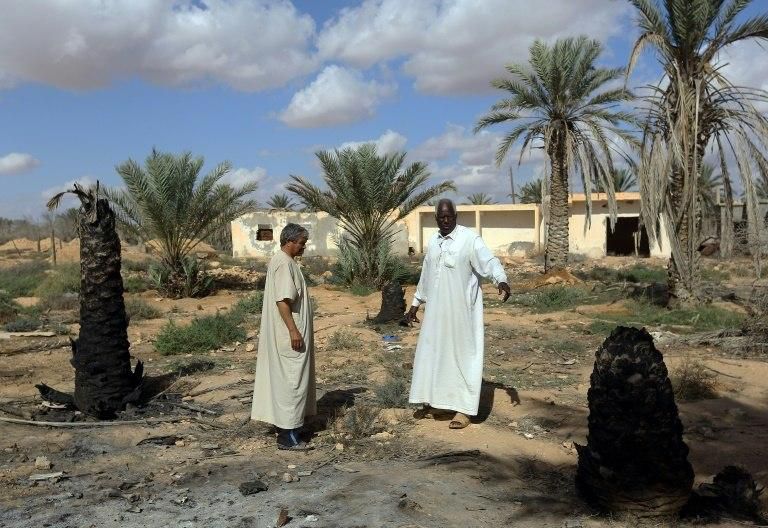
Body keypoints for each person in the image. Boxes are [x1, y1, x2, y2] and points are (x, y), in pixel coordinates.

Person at [406, 199, 511, 429]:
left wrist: (501, 279)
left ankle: (464, 410)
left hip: (462, 315)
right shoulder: (434, 241)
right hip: (436, 314)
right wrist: (415, 304)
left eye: (449, 217)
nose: (445, 221)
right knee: (435, 355)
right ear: (436, 219)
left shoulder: (469, 239)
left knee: (464, 357)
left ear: (455, 216)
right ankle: (436, 402)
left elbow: (489, 261)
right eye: (441, 217)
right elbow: (426, 275)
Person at [251, 223, 316, 450]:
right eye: (301, 243)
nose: (303, 248)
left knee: (293, 380)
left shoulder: (286, 262)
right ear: (289, 241)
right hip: (290, 335)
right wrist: (293, 330)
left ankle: (293, 427)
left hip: (291, 333)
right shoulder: (283, 263)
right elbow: (282, 300)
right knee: (291, 382)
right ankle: (288, 436)